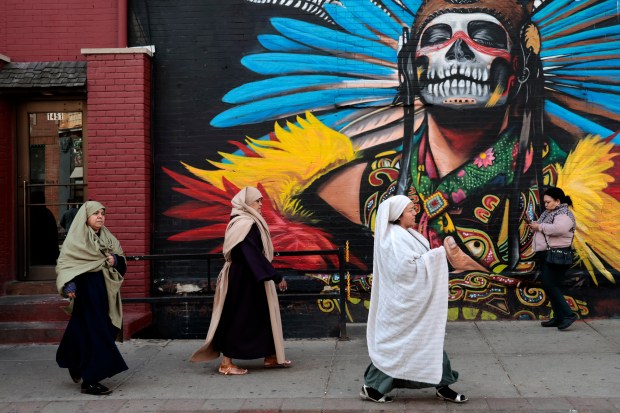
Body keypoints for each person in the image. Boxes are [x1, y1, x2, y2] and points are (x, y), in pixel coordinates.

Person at [361, 195, 467, 403]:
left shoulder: (405, 234)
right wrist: (438, 255)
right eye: (410, 210)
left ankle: (442, 384)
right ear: (399, 215)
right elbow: (405, 270)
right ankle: (373, 386)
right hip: (402, 304)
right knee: (401, 346)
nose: (415, 212)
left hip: (412, 303)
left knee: (426, 341)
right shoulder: (393, 238)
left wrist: (433, 257)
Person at [190, 186, 291, 374]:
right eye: (257, 201)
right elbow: (250, 253)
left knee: (262, 315)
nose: (261, 204)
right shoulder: (244, 224)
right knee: (237, 318)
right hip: (242, 279)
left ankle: (270, 355)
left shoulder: (247, 221)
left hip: (251, 277)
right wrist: (275, 276)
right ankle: (226, 363)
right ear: (246, 203)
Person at [55, 201, 128, 395]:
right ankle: (91, 380)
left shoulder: (107, 237)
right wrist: (69, 284)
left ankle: (73, 360)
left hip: (106, 292)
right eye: (95, 213)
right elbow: (65, 263)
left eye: (103, 213)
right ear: (85, 217)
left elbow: (121, 258)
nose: (100, 217)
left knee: (102, 328)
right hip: (85, 292)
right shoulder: (76, 239)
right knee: (96, 334)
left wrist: (116, 260)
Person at [528, 187, 578, 330]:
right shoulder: (549, 213)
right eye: (544, 202)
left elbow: (559, 229)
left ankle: (569, 315)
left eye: (548, 202)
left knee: (550, 285)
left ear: (557, 201)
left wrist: (540, 226)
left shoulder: (564, 214)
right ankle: (558, 317)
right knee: (549, 286)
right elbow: (543, 227)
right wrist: (535, 225)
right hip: (547, 254)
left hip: (557, 254)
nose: (546, 205)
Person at [29, 190, 59, 265]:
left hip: (33, 254)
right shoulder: (48, 214)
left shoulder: (28, 215)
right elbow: (54, 235)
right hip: (48, 253)